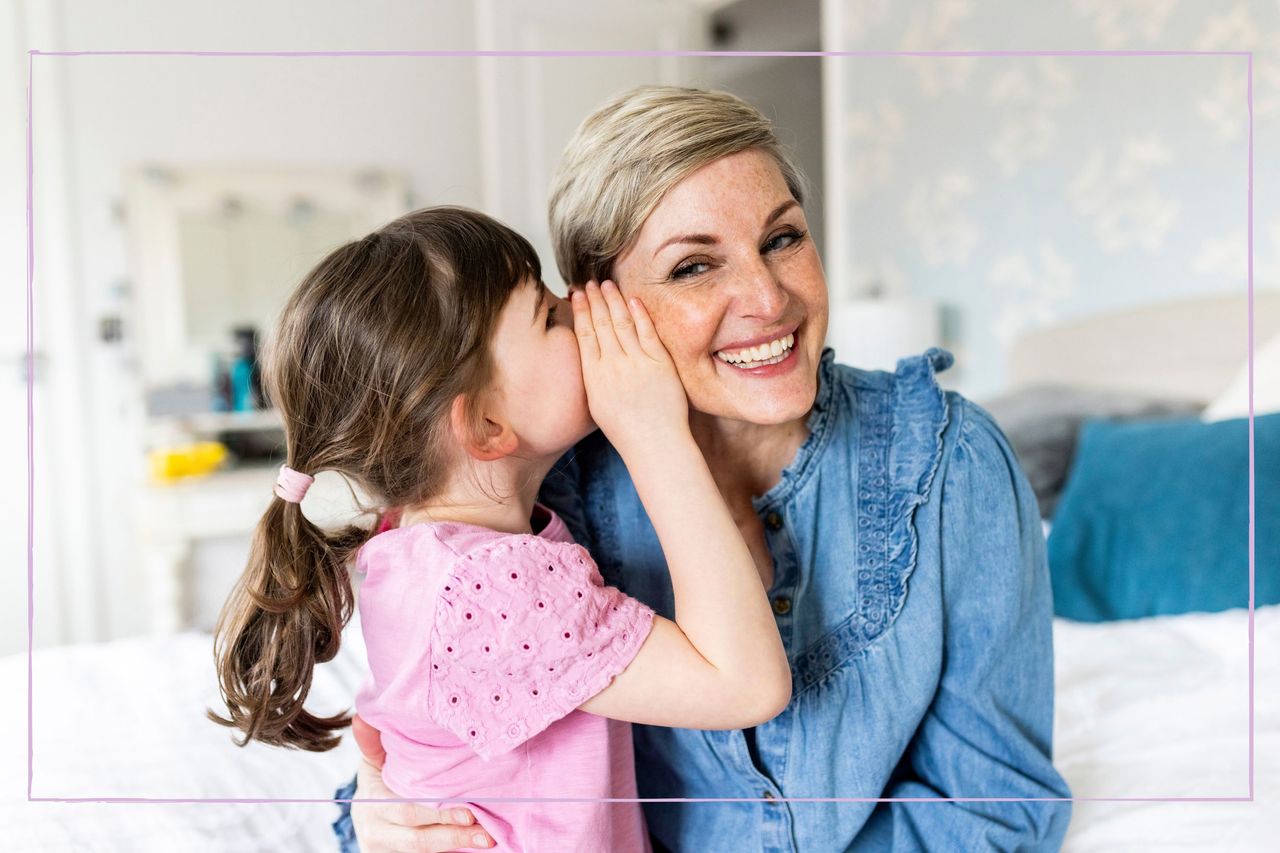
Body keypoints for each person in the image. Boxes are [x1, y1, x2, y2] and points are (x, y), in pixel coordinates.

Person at [340, 86, 1073, 852]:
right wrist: (375, 816)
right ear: (600, 308)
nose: (766, 297)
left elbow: (998, 806)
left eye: (783, 238)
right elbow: (438, 760)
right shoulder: (537, 501)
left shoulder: (954, 462)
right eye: (693, 266)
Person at [209, 206, 792, 852]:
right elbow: (747, 683)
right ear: (487, 427)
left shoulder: (411, 541)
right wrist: (652, 431)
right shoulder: (490, 590)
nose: (579, 306)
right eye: (546, 314)